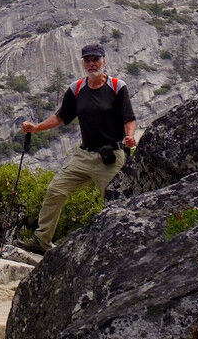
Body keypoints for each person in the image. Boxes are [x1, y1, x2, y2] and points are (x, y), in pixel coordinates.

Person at [18, 42, 137, 254]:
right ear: (83, 62)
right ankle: (42, 242)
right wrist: (36, 128)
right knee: (56, 190)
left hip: (111, 157)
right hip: (84, 155)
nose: (92, 64)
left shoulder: (118, 87)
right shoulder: (77, 89)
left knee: (115, 202)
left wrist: (130, 137)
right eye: (88, 60)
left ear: (104, 60)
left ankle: (125, 247)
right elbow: (61, 117)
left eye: (96, 59)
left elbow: (129, 118)